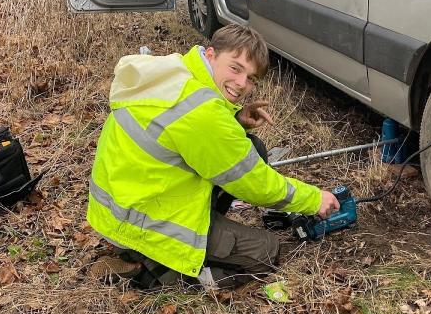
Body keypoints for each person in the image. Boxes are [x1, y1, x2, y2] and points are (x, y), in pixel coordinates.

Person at [87, 24, 339, 289]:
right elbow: (255, 184)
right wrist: (313, 199)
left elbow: (183, 134)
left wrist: (235, 120)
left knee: (253, 147)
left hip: (121, 204)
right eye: (235, 68)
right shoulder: (204, 112)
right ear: (210, 55)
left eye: (251, 78)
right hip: (141, 222)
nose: (243, 84)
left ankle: (153, 251)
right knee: (266, 251)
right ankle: (152, 272)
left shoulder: (177, 71)